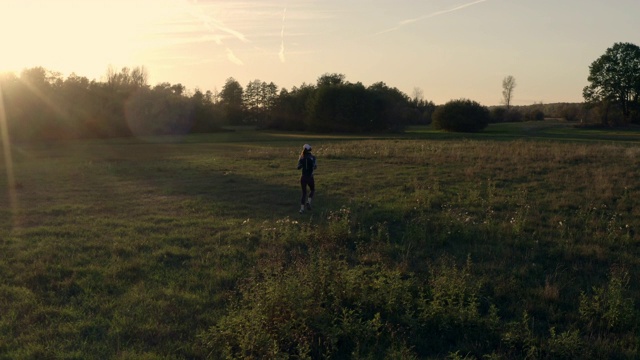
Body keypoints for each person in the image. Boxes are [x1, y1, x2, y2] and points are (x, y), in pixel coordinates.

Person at [297, 143, 317, 214]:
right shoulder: (313, 157)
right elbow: (315, 167)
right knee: (312, 189)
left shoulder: (301, 157)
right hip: (310, 177)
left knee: (304, 193)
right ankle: (308, 202)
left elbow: (298, 167)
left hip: (303, 177)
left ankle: (301, 209)